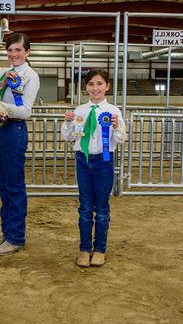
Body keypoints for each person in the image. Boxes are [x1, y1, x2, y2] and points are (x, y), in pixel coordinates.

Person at [61, 69, 126, 267]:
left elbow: (121, 138)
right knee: (85, 207)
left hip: (104, 161)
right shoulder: (80, 110)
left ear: (107, 86)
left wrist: (115, 127)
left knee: (103, 208)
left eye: (99, 84)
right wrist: (67, 123)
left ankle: (100, 249)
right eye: (91, 84)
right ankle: (84, 249)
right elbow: (69, 137)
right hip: (83, 161)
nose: (95, 88)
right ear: (85, 87)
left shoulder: (114, 111)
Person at [0, 33, 40, 256]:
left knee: (14, 184)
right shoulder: (2, 73)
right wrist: (1, 82)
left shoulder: (31, 76)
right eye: (10, 50)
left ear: (27, 52)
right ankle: (7, 232)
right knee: (2, 183)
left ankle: (16, 236)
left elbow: (26, 111)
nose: (13, 54)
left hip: (14, 129)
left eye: (18, 50)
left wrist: (2, 109)